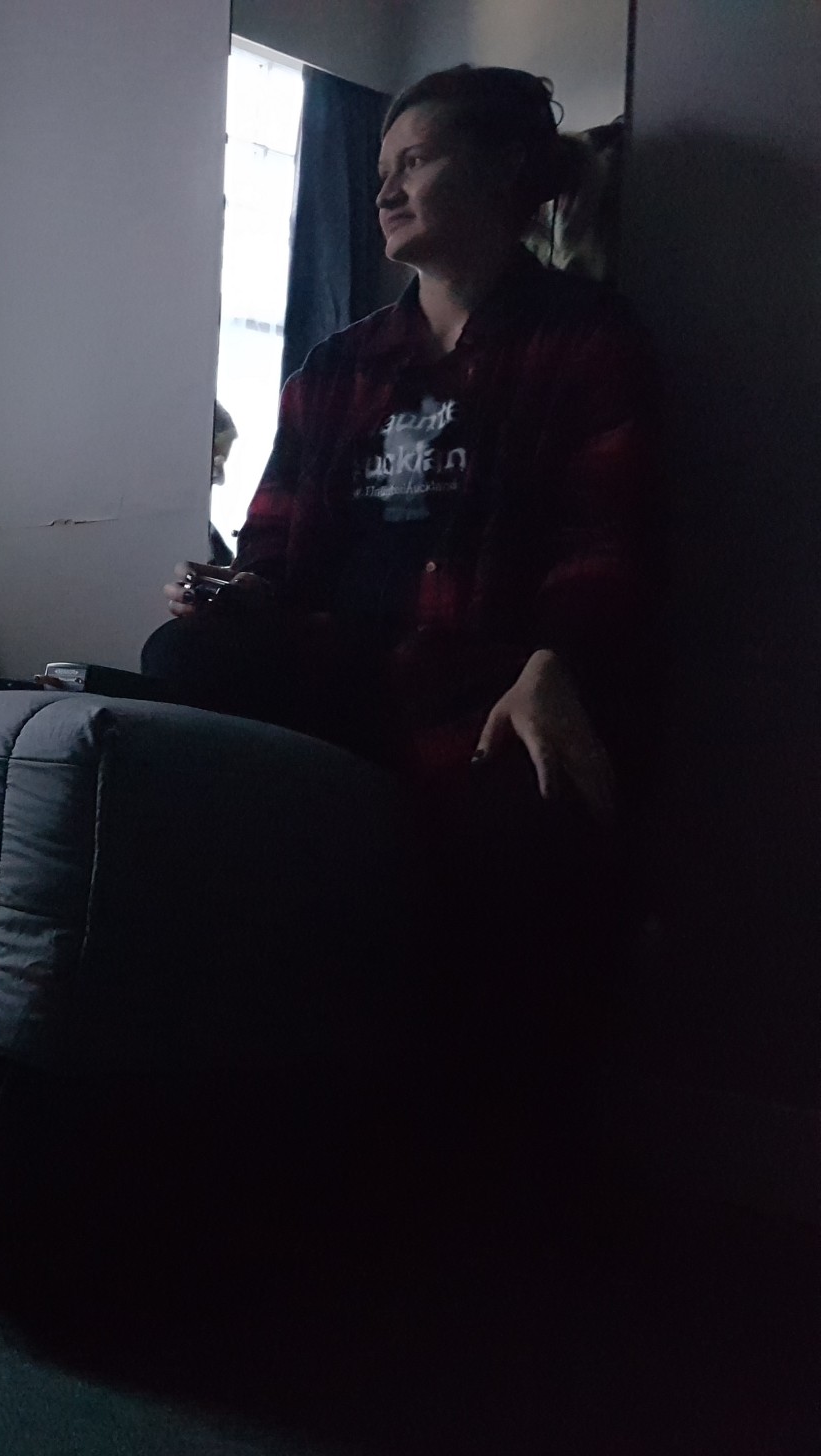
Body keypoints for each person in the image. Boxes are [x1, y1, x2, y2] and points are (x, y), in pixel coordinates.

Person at [143, 67, 661, 1171]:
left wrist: (557, 662)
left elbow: (604, 538)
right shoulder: (337, 367)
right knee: (177, 655)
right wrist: (232, 595)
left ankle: (490, 1165)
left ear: (505, 172)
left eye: (414, 162)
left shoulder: (581, 338)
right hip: (343, 677)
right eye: (380, 170)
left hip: (483, 689)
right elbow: (274, 551)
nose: (384, 190)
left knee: (538, 819)